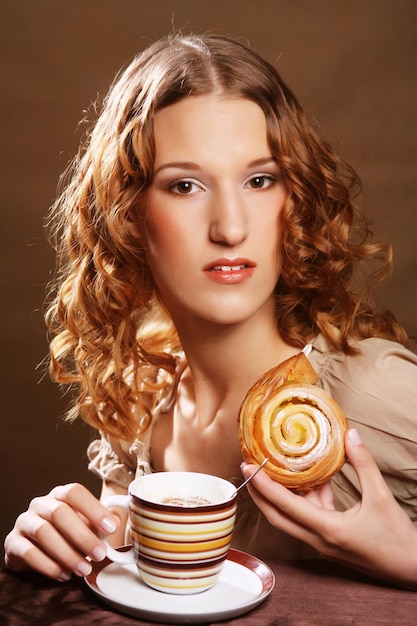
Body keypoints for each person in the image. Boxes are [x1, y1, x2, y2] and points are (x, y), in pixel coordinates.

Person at [4, 33, 417, 590]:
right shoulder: (143, 395)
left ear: (292, 199)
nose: (230, 227)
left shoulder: (369, 394)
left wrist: (407, 558)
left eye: (259, 180)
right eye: (186, 185)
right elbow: (123, 577)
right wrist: (57, 548)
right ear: (128, 215)